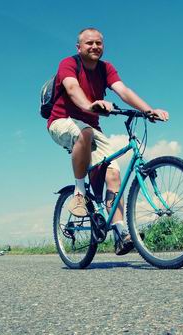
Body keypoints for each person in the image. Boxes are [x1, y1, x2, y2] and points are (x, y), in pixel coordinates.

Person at [47, 28, 169, 255]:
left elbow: (123, 90)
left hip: (91, 127)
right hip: (62, 121)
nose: (94, 47)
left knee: (113, 171)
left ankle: (120, 233)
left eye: (99, 43)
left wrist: (148, 110)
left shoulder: (106, 68)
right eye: (89, 43)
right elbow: (72, 88)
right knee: (85, 133)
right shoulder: (69, 63)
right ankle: (79, 192)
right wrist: (89, 105)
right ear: (79, 47)